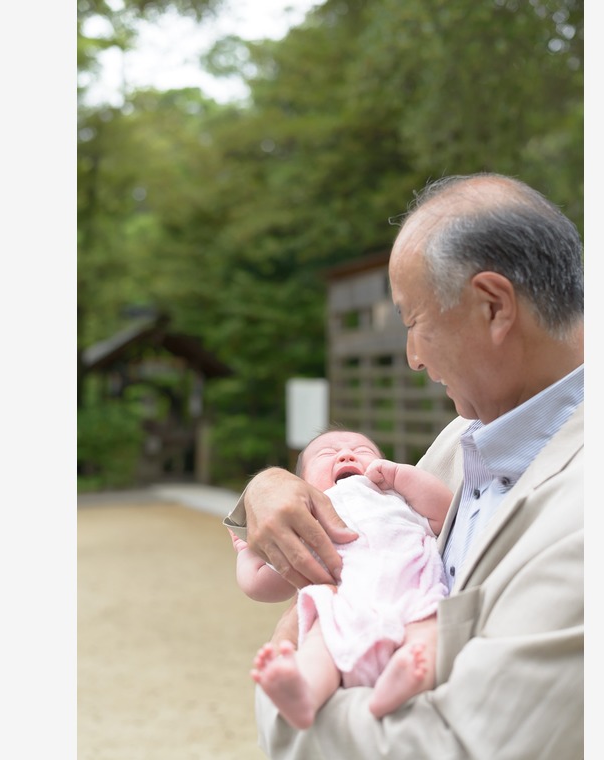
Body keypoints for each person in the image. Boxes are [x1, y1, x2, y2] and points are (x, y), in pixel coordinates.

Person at [223, 172, 584, 758]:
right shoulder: (469, 436)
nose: (414, 358)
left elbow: (458, 746)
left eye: (414, 323)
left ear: (493, 307)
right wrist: (268, 486)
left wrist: (280, 710)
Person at [228, 428, 453, 728]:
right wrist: (246, 550)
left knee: (428, 633)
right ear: (301, 485)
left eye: (363, 451)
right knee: (320, 644)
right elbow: (258, 582)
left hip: (414, 592)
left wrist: (401, 477)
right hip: (341, 606)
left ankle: (406, 676)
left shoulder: (399, 500)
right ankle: (303, 694)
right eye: (327, 454)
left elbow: (446, 513)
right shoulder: (306, 522)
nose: (346, 454)